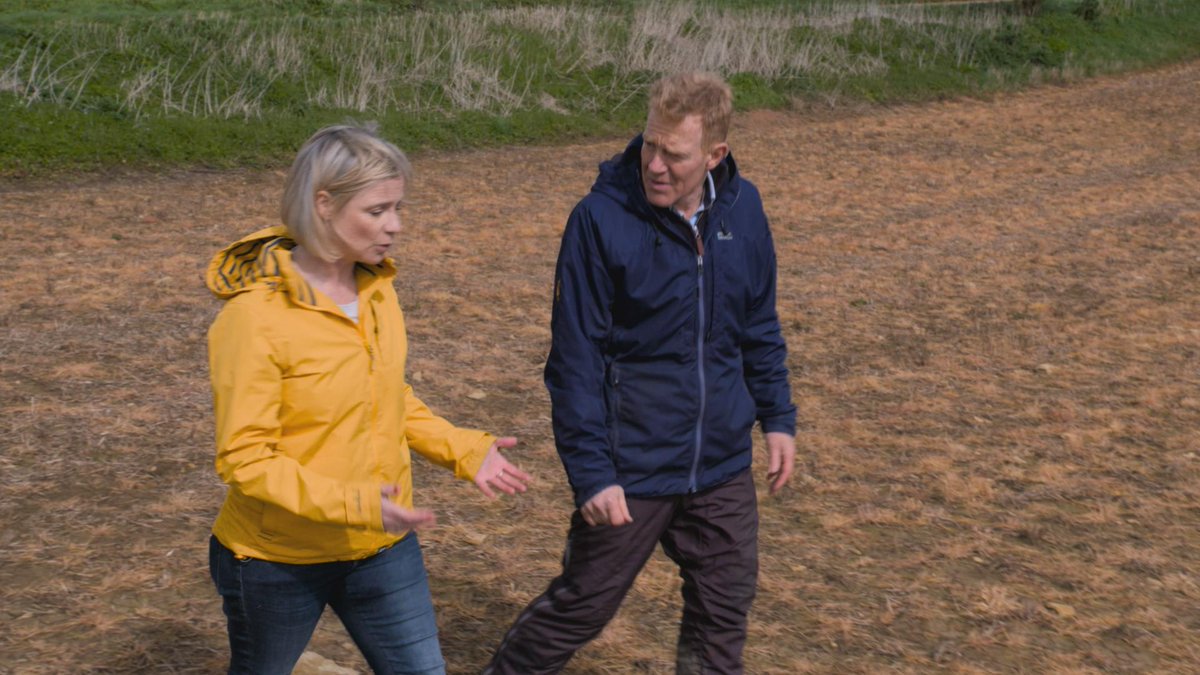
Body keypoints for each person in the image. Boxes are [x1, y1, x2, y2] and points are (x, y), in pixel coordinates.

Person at [485, 72, 796, 674]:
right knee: (581, 609)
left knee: (723, 614)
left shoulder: (744, 208)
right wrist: (593, 475)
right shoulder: (599, 221)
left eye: (673, 155)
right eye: (649, 144)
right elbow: (574, 363)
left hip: (722, 466)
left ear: (714, 156)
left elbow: (758, 323)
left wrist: (778, 416)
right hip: (632, 468)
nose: (655, 164)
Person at [204, 124, 531, 675]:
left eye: (399, 207)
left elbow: (387, 398)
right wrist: (355, 503)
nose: (396, 226)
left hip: (382, 544)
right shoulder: (253, 320)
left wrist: (463, 449)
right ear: (324, 204)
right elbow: (245, 459)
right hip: (278, 559)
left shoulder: (377, 289)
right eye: (377, 210)